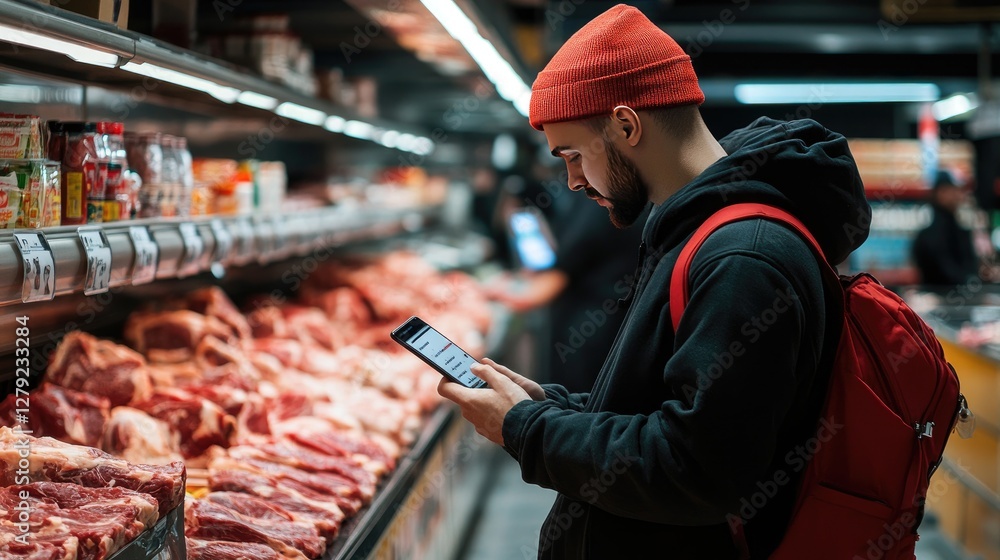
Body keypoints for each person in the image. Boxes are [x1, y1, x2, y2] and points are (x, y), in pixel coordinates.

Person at [437, 4, 870, 558]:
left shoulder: (743, 258)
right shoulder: (693, 233)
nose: (570, 181)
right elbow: (664, 409)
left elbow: (695, 471)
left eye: (572, 155)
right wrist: (548, 403)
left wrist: (528, 430)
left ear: (626, 125)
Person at [488, 187, 647, 393]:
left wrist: (496, 292)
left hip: (589, 329)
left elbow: (556, 276)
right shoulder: (634, 197)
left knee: (577, 402)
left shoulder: (600, 199)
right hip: (613, 322)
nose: (573, 180)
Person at [912, 170, 980, 287]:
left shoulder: (959, 230)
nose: (959, 195)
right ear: (941, 192)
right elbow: (945, 271)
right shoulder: (930, 236)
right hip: (939, 301)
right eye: (954, 189)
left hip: (961, 300)